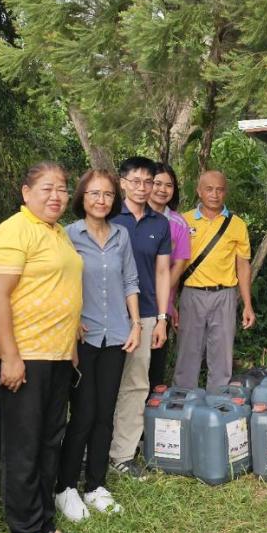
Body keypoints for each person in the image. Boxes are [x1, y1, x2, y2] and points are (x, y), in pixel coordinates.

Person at [0, 162, 83, 533]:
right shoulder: (13, 231)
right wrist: (9, 356)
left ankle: (44, 525)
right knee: (24, 449)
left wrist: (72, 346)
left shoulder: (57, 233)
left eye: (62, 188)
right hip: (24, 357)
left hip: (56, 356)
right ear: (26, 192)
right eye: (46, 188)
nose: (56, 196)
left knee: (48, 444)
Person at [56, 169, 141, 522]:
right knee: (84, 413)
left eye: (107, 194)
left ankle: (95, 485)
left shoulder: (121, 235)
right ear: (82, 197)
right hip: (84, 336)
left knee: (106, 413)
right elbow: (59, 280)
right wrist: (71, 319)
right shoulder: (68, 235)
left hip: (117, 334)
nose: (101, 200)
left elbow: (130, 281)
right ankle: (65, 487)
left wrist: (135, 324)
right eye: (94, 194)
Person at [108, 156, 172, 479]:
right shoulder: (106, 216)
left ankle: (122, 455)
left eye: (149, 182)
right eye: (136, 181)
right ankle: (92, 450)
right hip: (106, 314)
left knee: (135, 384)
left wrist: (162, 317)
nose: (143, 187)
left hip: (146, 314)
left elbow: (162, 272)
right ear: (122, 183)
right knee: (100, 386)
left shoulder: (160, 224)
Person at [174, 170, 255, 390]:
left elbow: (243, 266)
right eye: (209, 189)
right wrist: (170, 304)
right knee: (187, 354)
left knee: (222, 356)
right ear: (199, 191)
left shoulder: (237, 224)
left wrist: (247, 304)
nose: (214, 194)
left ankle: (216, 409)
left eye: (219, 189)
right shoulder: (183, 220)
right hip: (192, 295)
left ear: (225, 193)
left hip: (225, 295)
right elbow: (173, 265)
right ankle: (183, 405)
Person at [147, 162, 192, 391]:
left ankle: (151, 421)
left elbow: (179, 265)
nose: (162, 190)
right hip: (130, 304)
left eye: (169, 185)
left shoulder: (178, 223)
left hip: (160, 309)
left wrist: (162, 299)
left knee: (154, 369)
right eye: (157, 183)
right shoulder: (128, 217)